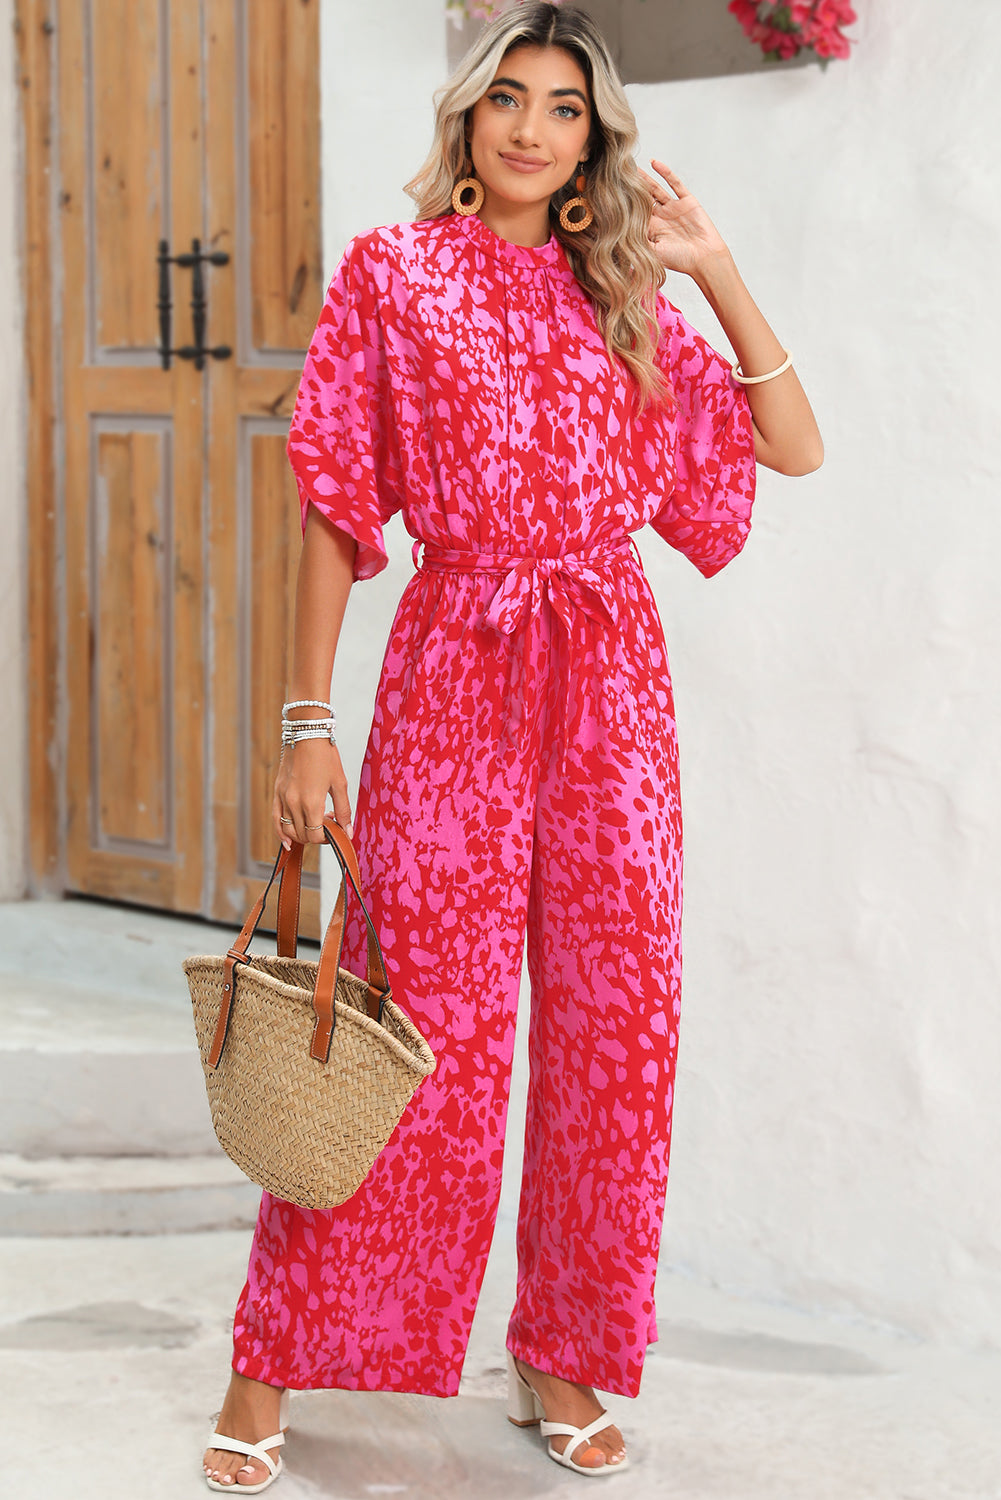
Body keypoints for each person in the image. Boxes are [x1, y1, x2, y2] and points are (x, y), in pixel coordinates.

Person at [203, 1, 822, 1489]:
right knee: (415, 1029)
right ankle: (268, 1368)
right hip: (454, 668)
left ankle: (560, 1355)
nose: (533, 126)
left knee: (617, 1034)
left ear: (594, 137)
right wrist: (306, 725)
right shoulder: (396, 275)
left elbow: (787, 454)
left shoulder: (622, 296)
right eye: (508, 98)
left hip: (610, 689)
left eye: (563, 106)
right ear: (467, 118)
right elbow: (337, 511)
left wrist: (716, 273)